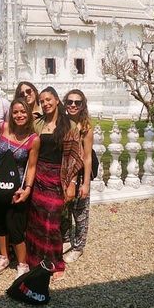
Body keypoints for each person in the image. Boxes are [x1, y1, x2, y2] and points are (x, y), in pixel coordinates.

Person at [26, 87, 83, 280]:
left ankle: (56, 263)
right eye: (42, 101)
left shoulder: (69, 126)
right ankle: (36, 260)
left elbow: (76, 157)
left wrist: (72, 182)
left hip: (58, 177)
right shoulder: (38, 124)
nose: (45, 104)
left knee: (52, 222)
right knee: (37, 221)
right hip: (39, 175)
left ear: (57, 100)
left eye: (48, 100)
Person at [0, 97, 39, 278]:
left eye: (23, 112)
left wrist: (28, 188)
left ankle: (22, 264)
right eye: (15, 112)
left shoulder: (33, 139)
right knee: (0, 224)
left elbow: (31, 166)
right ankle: (4, 256)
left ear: (29, 114)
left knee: (15, 226)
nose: (19, 115)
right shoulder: (3, 128)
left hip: (16, 187)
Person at [61, 89, 93, 264]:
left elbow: (87, 157)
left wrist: (85, 183)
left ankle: (79, 247)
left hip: (79, 174)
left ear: (82, 106)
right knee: (64, 211)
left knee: (80, 213)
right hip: (63, 172)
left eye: (77, 103)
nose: (73, 105)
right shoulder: (62, 123)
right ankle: (66, 240)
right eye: (70, 102)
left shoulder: (85, 127)